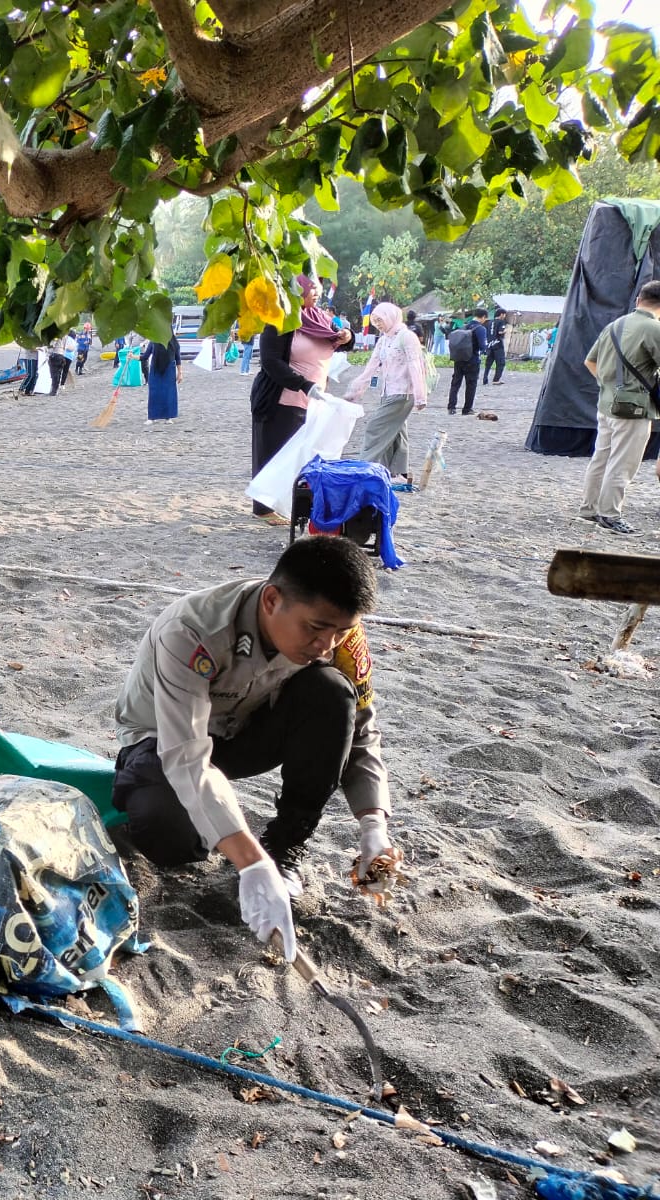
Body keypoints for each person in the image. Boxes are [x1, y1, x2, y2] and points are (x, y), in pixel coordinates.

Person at [109, 536, 396, 961]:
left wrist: (374, 827)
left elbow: (360, 731)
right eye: (315, 629)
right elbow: (186, 757)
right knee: (168, 836)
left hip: (242, 734)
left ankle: (285, 847)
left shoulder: (338, 634)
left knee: (333, 693)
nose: (326, 645)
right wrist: (249, 862)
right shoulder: (190, 630)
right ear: (272, 600)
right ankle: (236, 841)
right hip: (163, 741)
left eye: (340, 631)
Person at [248, 275, 353, 525]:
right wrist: (304, 385)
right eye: (311, 289)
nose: (316, 293)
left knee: (301, 456)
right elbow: (270, 362)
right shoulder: (280, 319)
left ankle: (291, 503)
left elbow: (339, 341)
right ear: (297, 290)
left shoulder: (319, 318)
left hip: (314, 401)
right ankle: (263, 509)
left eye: (318, 289)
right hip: (281, 398)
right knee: (273, 453)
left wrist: (348, 336)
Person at [578, 281, 660, 536]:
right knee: (623, 463)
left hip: (606, 405)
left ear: (638, 300)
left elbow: (590, 361)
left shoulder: (615, 325)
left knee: (601, 458)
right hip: (634, 409)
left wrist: (611, 386)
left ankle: (589, 509)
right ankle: (610, 515)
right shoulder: (654, 328)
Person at [347, 302, 428, 487]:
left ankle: (364, 469)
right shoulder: (384, 339)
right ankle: (398, 474)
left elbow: (416, 365)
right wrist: (356, 390)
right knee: (396, 432)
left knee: (375, 428)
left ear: (390, 317)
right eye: (375, 321)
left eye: (380, 320)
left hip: (403, 393)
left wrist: (420, 396)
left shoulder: (407, 337)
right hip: (388, 392)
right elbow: (372, 366)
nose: (378, 324)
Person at [446, 308, 488, 415]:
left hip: (459, 359)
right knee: (471, 385)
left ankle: (451, 407)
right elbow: (483, 346)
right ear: (483, 317)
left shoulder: (464, 326)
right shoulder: (481, 329)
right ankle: (467, 409)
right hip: (472, 360)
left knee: (455, 383)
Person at [144, 336, 183, 425]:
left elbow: (178, 358)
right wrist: (133, 356)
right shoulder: (153, 340)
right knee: (154, 393)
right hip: (155, 369)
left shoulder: (173, 342)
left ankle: (168, 417)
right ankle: (152, 417)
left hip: (169, 369)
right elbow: (145, 356)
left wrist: (180, 373)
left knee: (168, 393)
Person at [484, 306, 511, 385]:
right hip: (498, 344)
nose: (505, 316)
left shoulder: (489, 322)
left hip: (490, 345)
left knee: (488, 363)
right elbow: (500, 332)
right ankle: (496, 380)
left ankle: (485, 379)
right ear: (501, 314)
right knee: (500, 363)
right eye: (504, 314)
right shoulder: (501, 322)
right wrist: (506, 330)